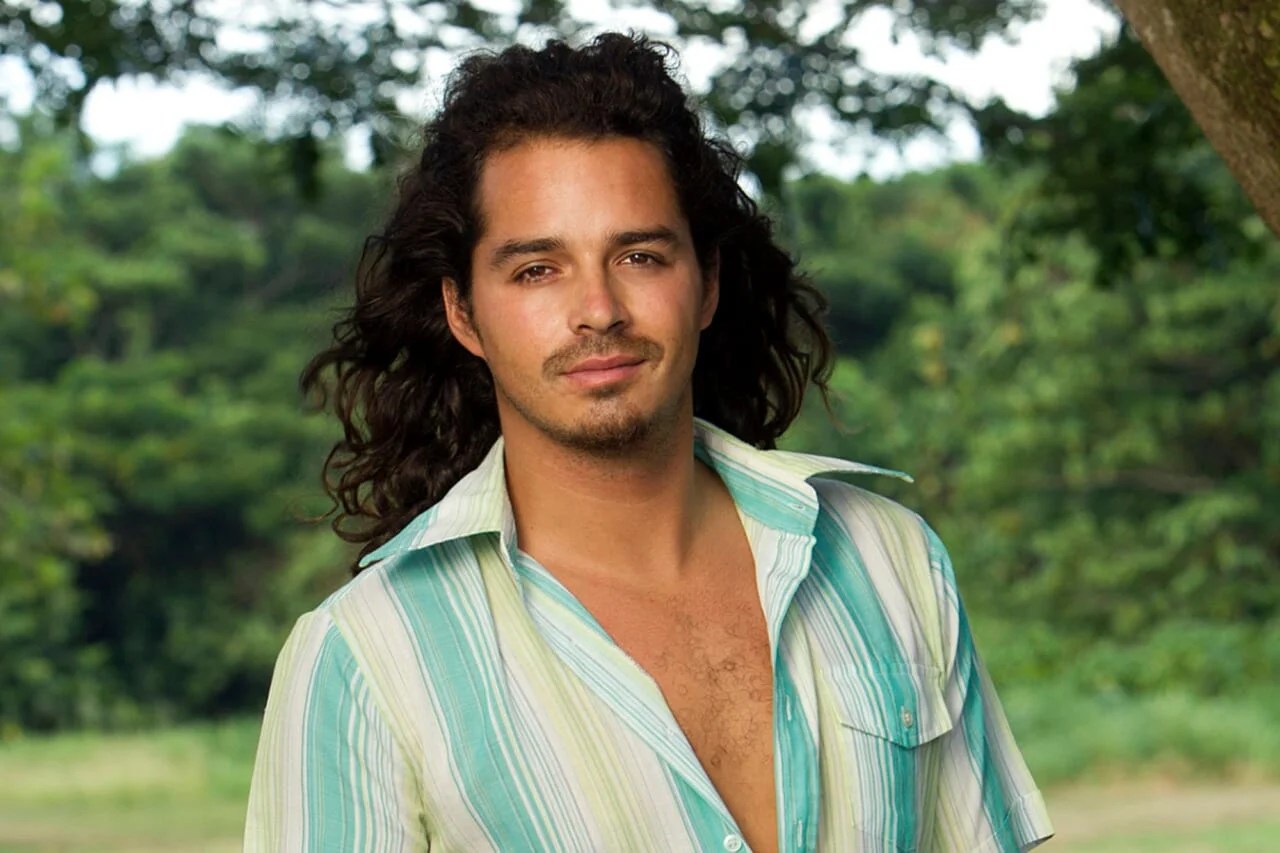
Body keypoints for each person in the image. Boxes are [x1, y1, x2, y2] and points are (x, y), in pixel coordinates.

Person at [245, 33, 1054, 852]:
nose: (599, 309)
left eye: (639, 255)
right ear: (463, 312)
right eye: (537, 269)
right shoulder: (365, 657)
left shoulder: (889, 559)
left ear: (705, 282)